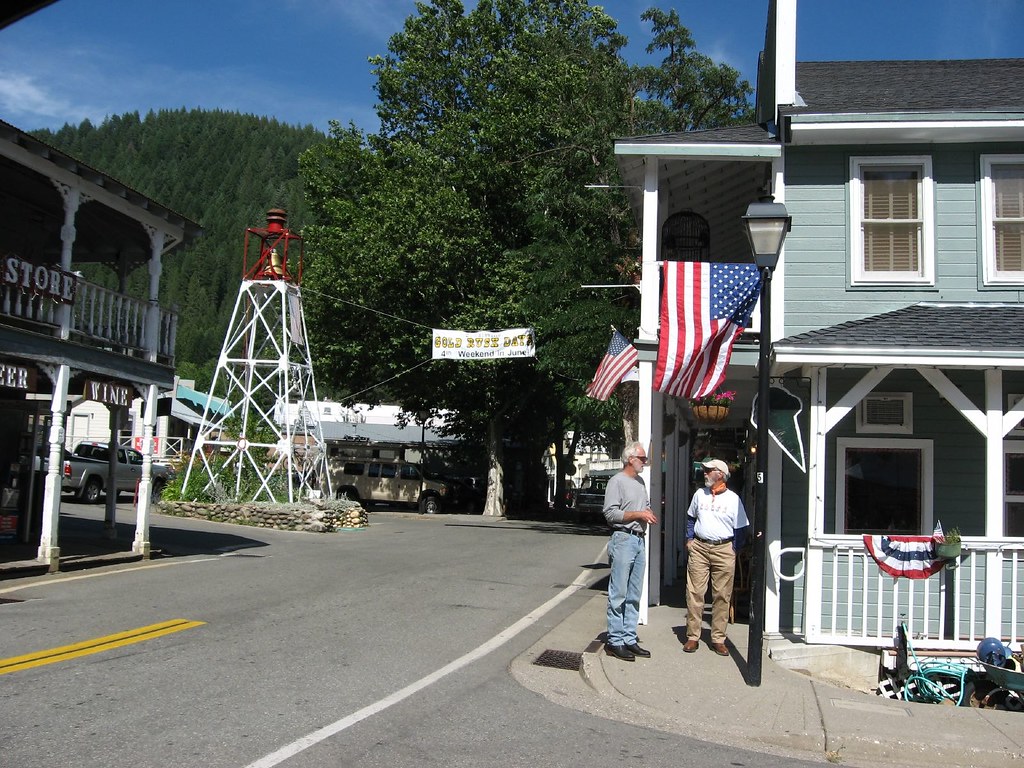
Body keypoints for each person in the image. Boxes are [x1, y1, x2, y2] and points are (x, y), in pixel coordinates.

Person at [683, 457, 749, 656]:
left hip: (723, 548)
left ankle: (718, 638)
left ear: (720, 474)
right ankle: (692, 636)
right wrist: (689, 539)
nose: (705, 473)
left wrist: (733, 549)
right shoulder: (699, 495)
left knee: (722, 595)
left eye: (709, 470)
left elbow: (741, 528)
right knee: (694, 592)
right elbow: (690, 517)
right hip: (700, 547)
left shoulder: (733, 499)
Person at [602, 441, 659, 661]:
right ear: (630, 459)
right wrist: (639, 515)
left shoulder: (640, 482)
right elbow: (610, 514)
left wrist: (647, 512)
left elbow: (643, 506)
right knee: (619, 593)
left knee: (634, 592)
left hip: (638, 540)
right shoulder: (616, 482)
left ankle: (629, 637)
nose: (645, 462)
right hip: (623, 538)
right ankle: (615, 640)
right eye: (642, 458)